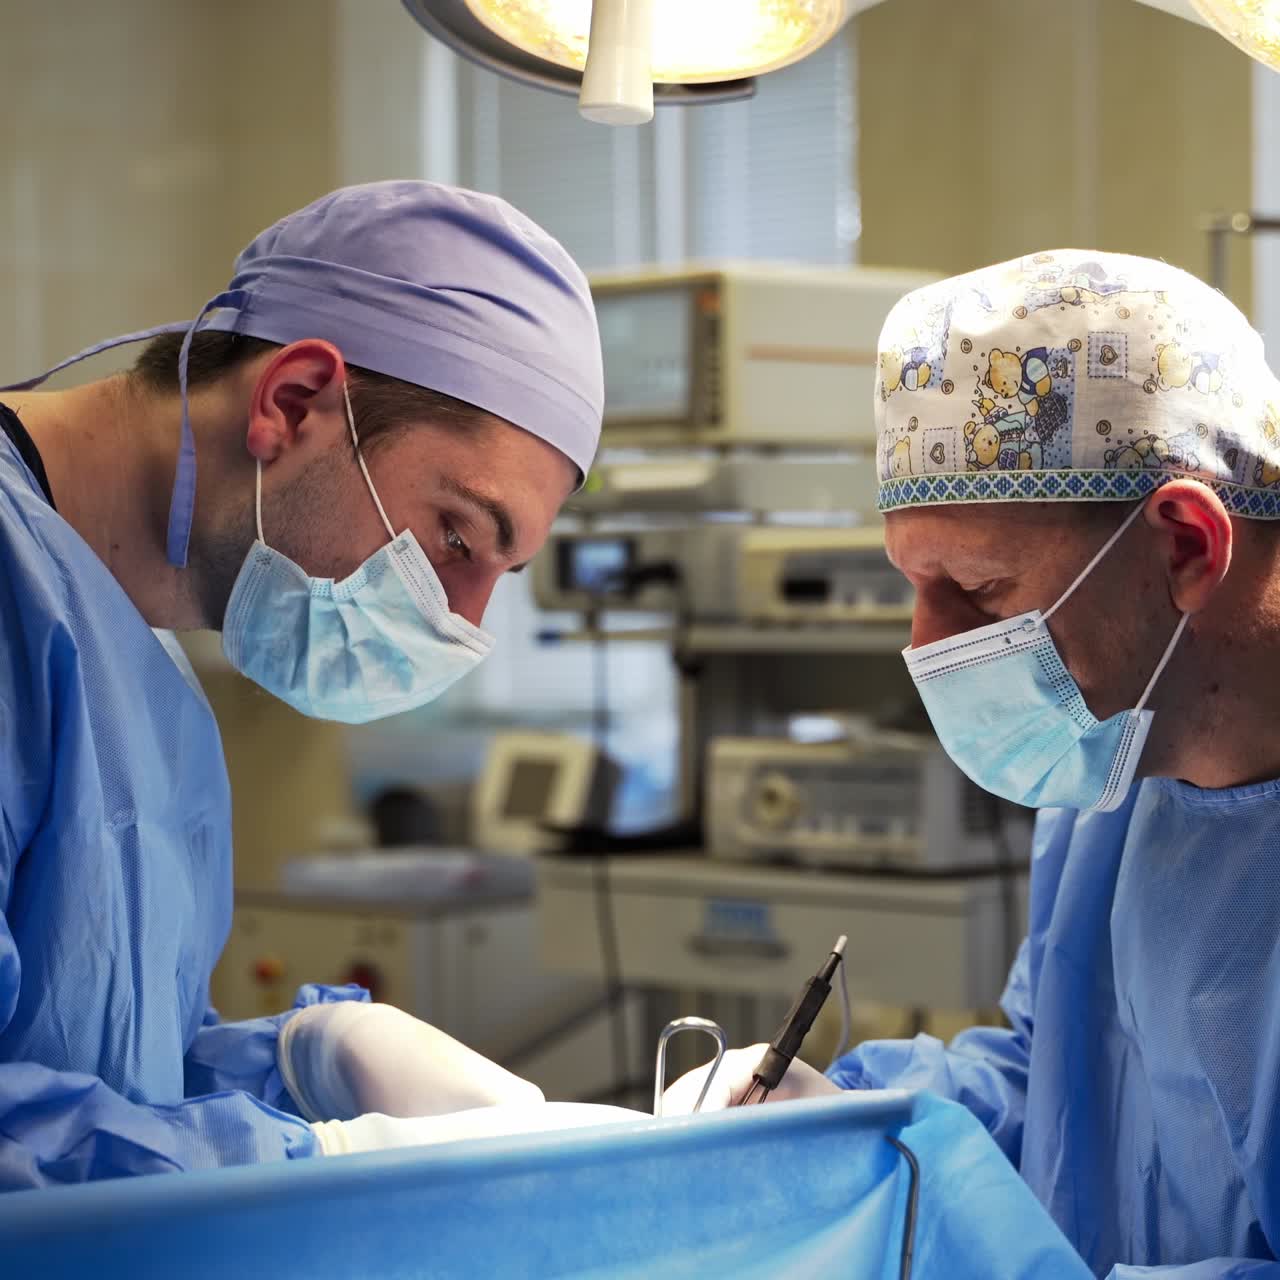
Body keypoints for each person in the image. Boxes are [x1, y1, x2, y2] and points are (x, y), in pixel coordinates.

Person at [666, 250, 1280, 1278]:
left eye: (979, 587)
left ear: (1182, 544)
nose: (925, 644)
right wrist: (861, 1122)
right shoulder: (1112, 778)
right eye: (911, 582)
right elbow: (1057, 1088)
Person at [0, 180, 603, 1188]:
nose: (462, 618)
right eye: (458, 537)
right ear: (291, 404)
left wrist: (295, 1063)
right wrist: (307, 1152)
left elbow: (101, 1077)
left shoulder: (150, 691)